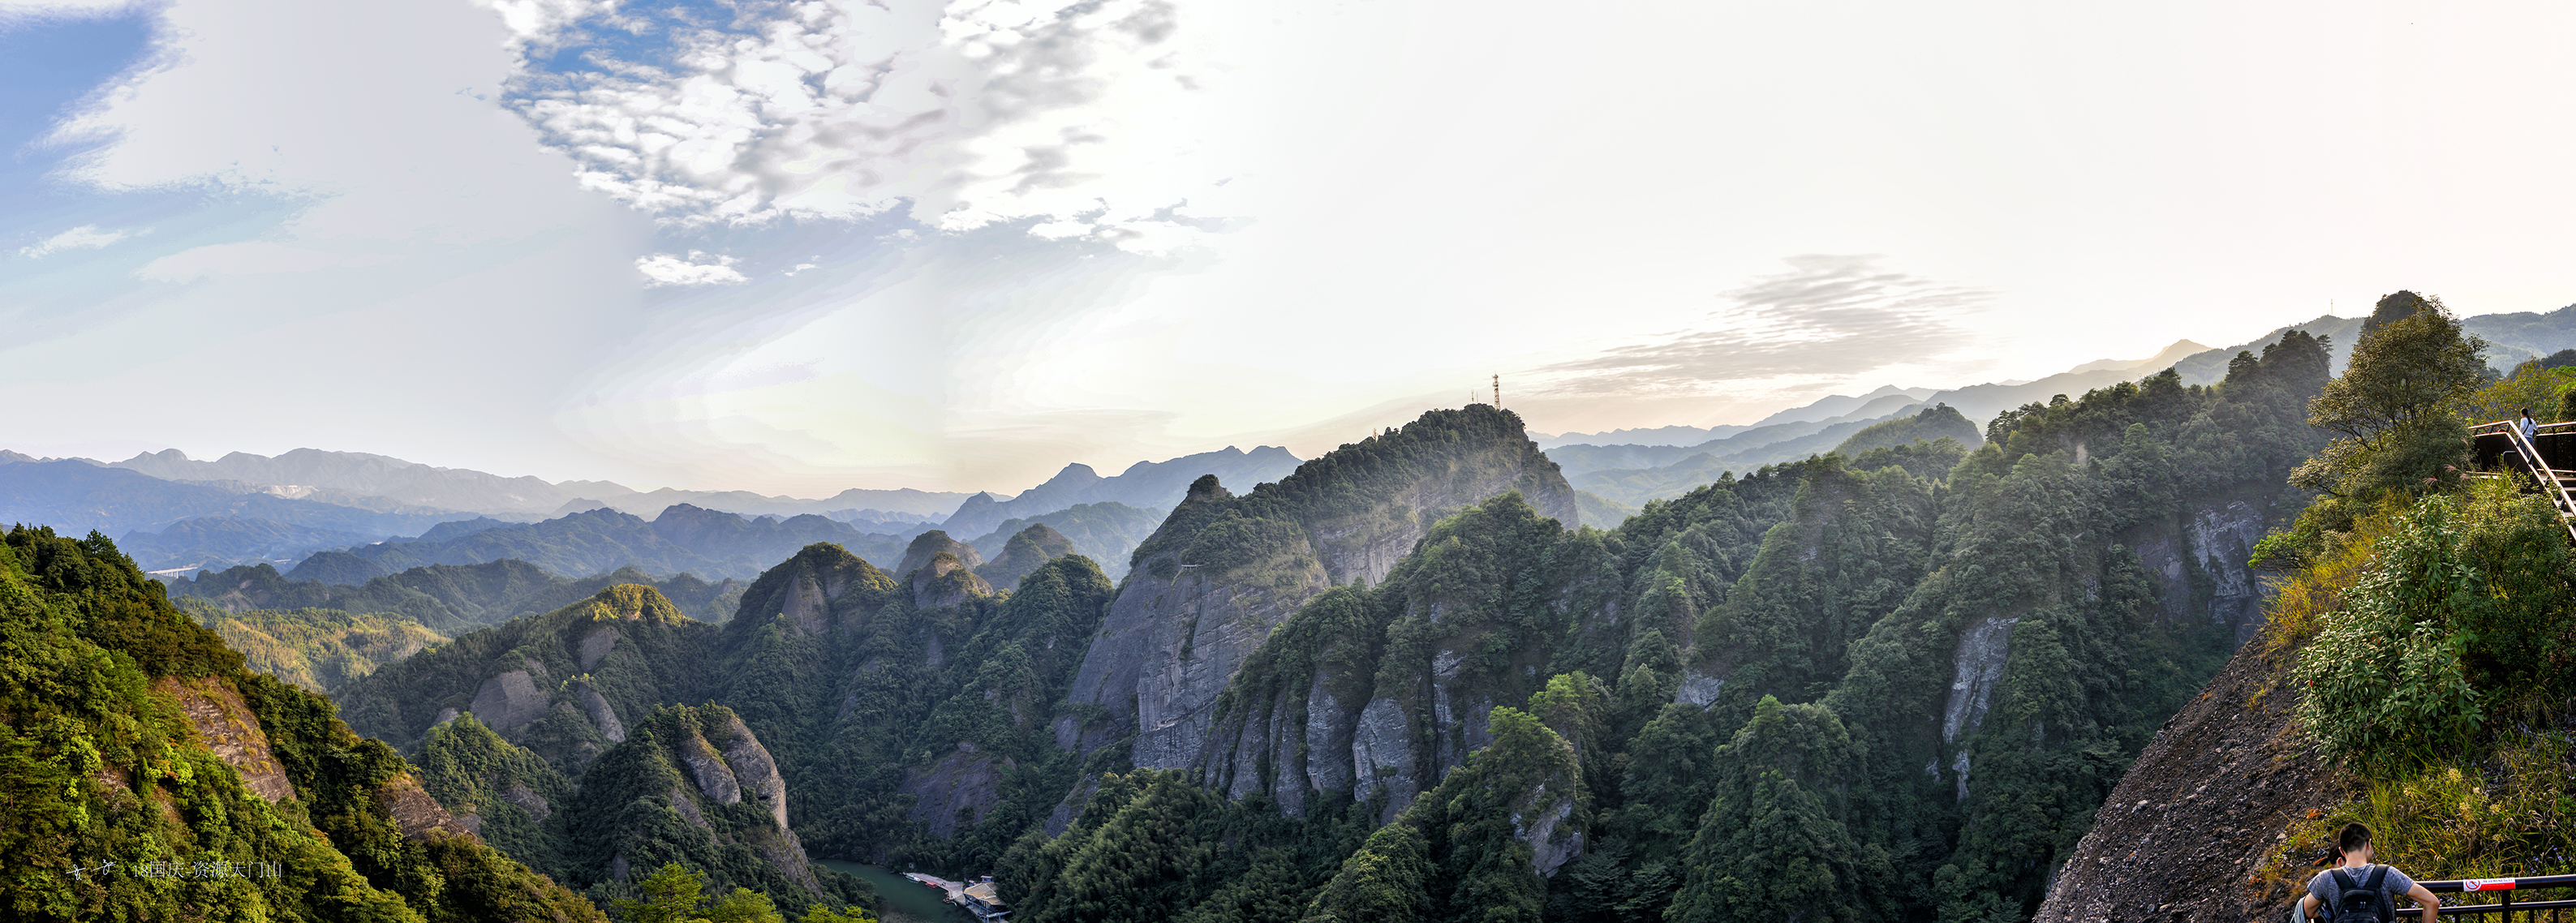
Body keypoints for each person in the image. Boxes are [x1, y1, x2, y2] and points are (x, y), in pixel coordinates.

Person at [2297, 822, 2436, 923]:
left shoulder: (2325, 878)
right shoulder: (2388, 873)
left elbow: (2308, 911)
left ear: (2342, 851)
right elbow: (2431, 902)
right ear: (2369, 844)